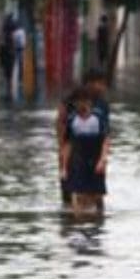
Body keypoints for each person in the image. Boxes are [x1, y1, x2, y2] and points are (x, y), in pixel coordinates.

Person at [55, 68, 111, 207]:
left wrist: (103, 157)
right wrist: (61, 147)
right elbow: (61, 122)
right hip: (74, 150)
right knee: (69, 187)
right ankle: (69, 211)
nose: (103, 87)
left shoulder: (102, 104)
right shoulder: (72, 99)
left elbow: (106, 133)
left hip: (95, 150)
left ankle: (97, 215)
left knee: (97, 191)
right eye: (100, 83)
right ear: (90, 83)